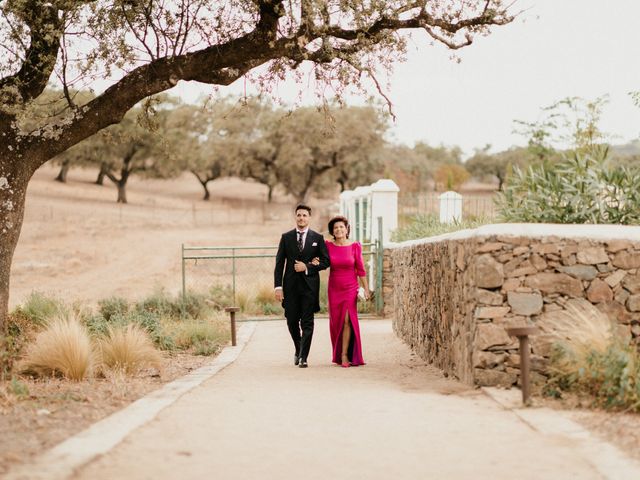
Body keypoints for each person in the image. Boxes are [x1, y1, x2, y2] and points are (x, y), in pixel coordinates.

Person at [274, 204, 330, 368]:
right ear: (295, 217)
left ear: (309, 218)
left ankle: (303, 357)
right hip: (290, 287)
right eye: (299, 215)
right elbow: (279, 263)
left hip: (309, 288)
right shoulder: (286, 237)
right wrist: (278, 287)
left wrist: (307, 267)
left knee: (307, 322)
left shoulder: (317, 238)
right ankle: (298, 349)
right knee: (291, 321)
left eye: (304, 215)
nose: (301, 218)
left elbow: (326, 261)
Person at [322, 215, 370, 368]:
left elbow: (361, 270)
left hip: (351, 287)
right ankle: (339, 352)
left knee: (347, 320)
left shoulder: (355, 246)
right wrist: (314, 262)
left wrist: (366, 289)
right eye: (335, 228)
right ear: (332, 231)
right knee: (337, 322)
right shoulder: (328, 246)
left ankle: (345, 355)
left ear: (346, 229)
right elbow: (320, 259)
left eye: (341, 227)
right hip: (334, 287)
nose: (338, 229)